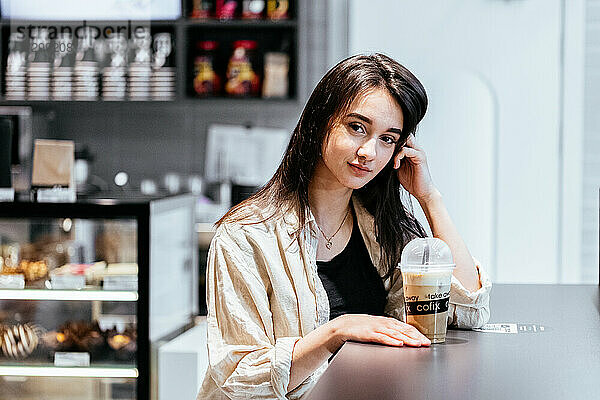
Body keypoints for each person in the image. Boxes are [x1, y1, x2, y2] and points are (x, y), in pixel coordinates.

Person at [197, 53, 492, 400]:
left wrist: (429, 197)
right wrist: (336, 332)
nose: (369, 151)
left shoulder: (383, 228)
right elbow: (239, 377)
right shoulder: (246, 235)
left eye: (387, 139)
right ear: (321, 122)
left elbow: (465, 311)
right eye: (357, 128)